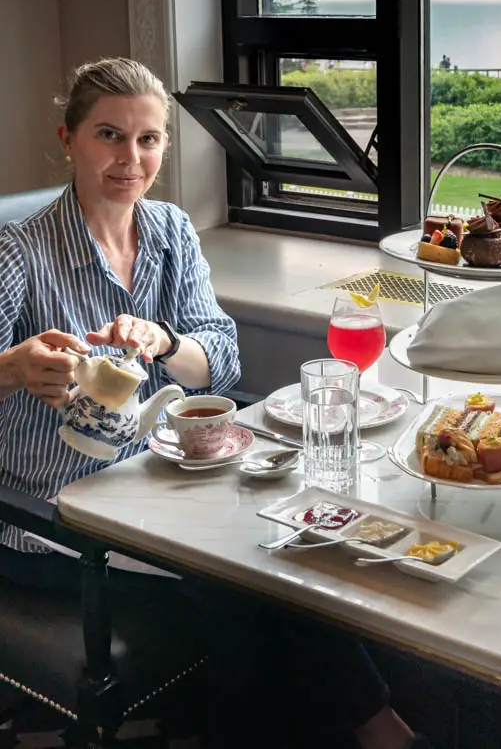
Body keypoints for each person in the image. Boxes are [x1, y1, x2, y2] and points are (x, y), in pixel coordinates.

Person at [0, 57, 430, 749]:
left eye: (147, 139)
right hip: (54, 516)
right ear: (68, 138)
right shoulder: (19, 251)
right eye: (109, 135)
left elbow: (218, 362)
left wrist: (167, 340)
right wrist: (16, 365)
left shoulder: (169, 231)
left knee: (292, 545)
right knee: (250, 586)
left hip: (159, 488)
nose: (129, 158)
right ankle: (382, 730)